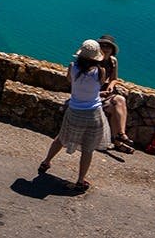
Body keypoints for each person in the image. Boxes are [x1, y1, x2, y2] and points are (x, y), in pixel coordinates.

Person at [37, 39, 112, 193]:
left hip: (75, 111)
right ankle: (80, 180)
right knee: (88, 149)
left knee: (61, 138)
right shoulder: (101, 71)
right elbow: (98, 85)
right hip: (94, 114)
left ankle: (46, 162)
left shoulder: (72, 67)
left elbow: (72, 82)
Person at [98, 34, 133, 153]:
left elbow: (114, 78)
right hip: (92, 95)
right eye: (103, 45)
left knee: (121, 100)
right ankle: (118, 141)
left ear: (112, 49)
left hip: (104, 93)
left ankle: (121, 134)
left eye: (108, 46)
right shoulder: (93, 61)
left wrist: (111, 86)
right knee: (114, 107)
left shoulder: (113, 61)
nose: (105, 48)